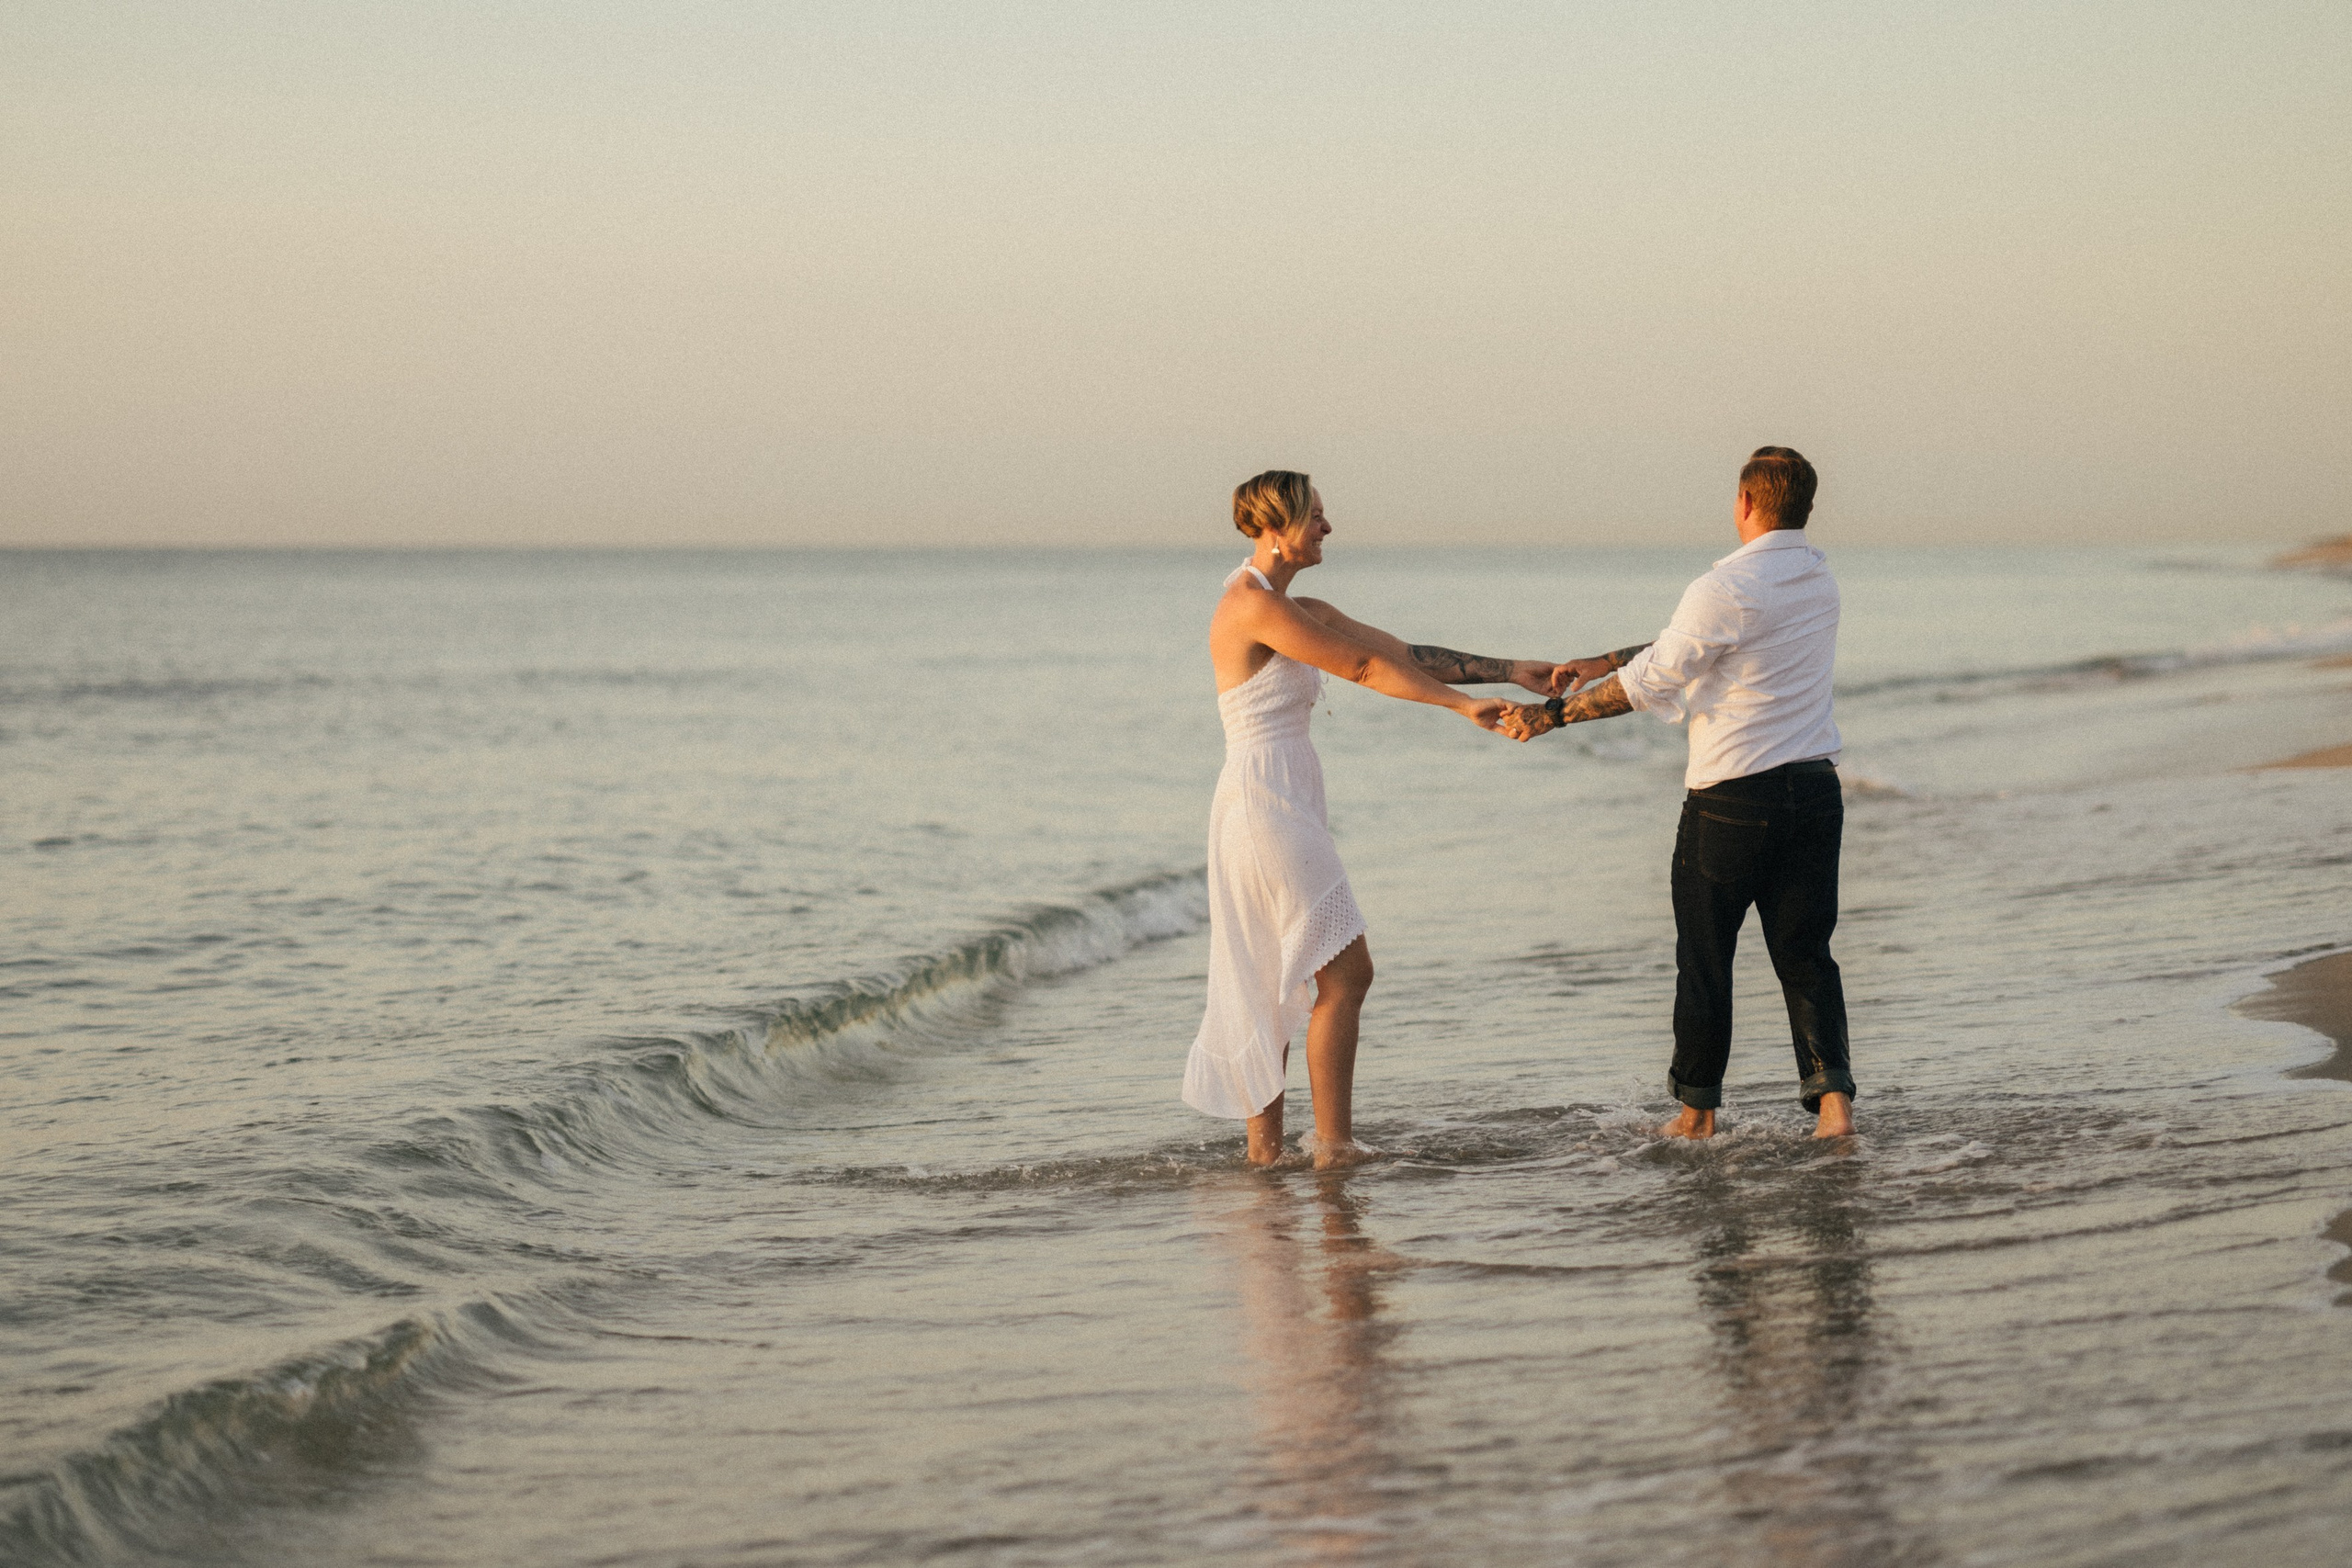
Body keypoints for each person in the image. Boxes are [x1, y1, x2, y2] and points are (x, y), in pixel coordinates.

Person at [1186, 470, 1567, 1168]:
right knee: (1346, 975)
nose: (1328, 528)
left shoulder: (1296, 606)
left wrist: (1515, 669)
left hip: (1283, 798)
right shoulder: (1248, 604)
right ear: (1275, 527)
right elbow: (1362, 668)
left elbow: (1396, 651)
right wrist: (1457, 707)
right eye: (1317, 517)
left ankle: (1265, 1159)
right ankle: (1332, 1147)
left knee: (1277, 977)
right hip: (1262, 806)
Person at [1498, 447, 1857, 1140]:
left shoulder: (1723, 586)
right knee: (1807, 954)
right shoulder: (1818, 578)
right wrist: (1603, 660)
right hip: (1814, 793)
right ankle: (1834, 1109)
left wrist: (1552, 715)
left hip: (1731, 800)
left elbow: (1657, 678)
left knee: (1705, 955)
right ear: (1802, 508)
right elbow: (1696, 645)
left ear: (1746, 502)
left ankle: (1696, 1113)